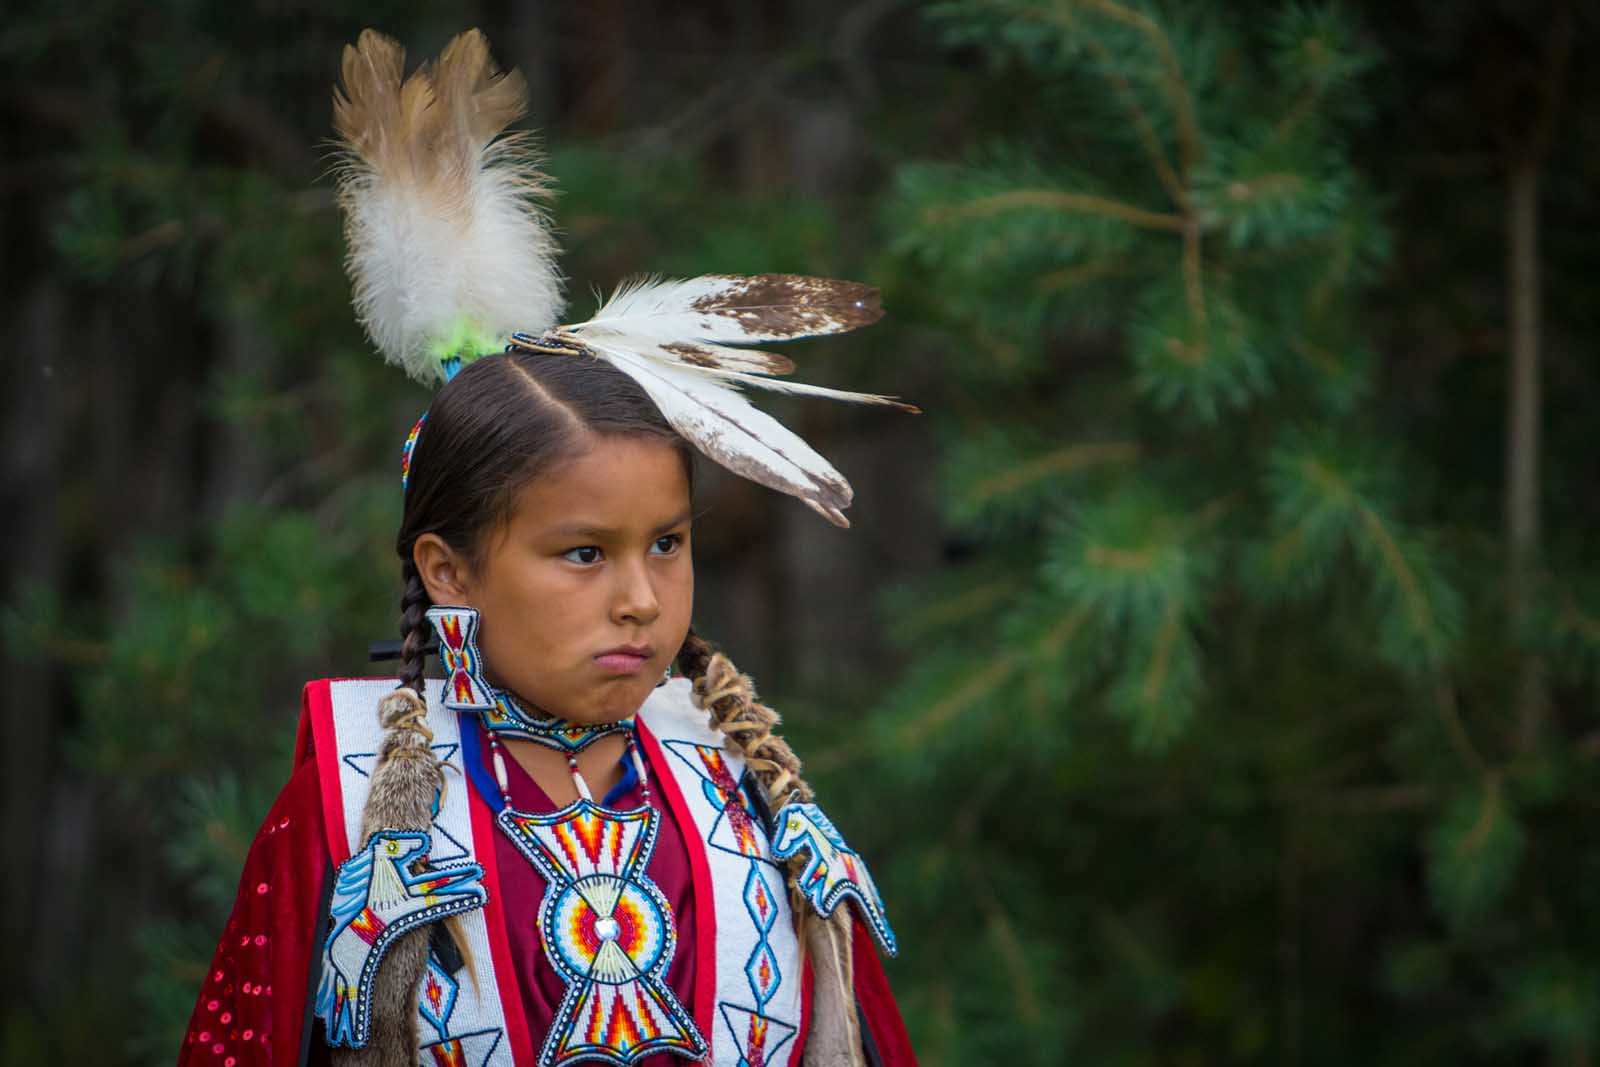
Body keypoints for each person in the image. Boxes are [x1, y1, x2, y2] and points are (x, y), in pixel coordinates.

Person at [177, 27, 916, 1067]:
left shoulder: (746, 795)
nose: (640, 598)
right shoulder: (349, 809)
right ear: (448, 569)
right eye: (582, 553)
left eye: (666, 542)